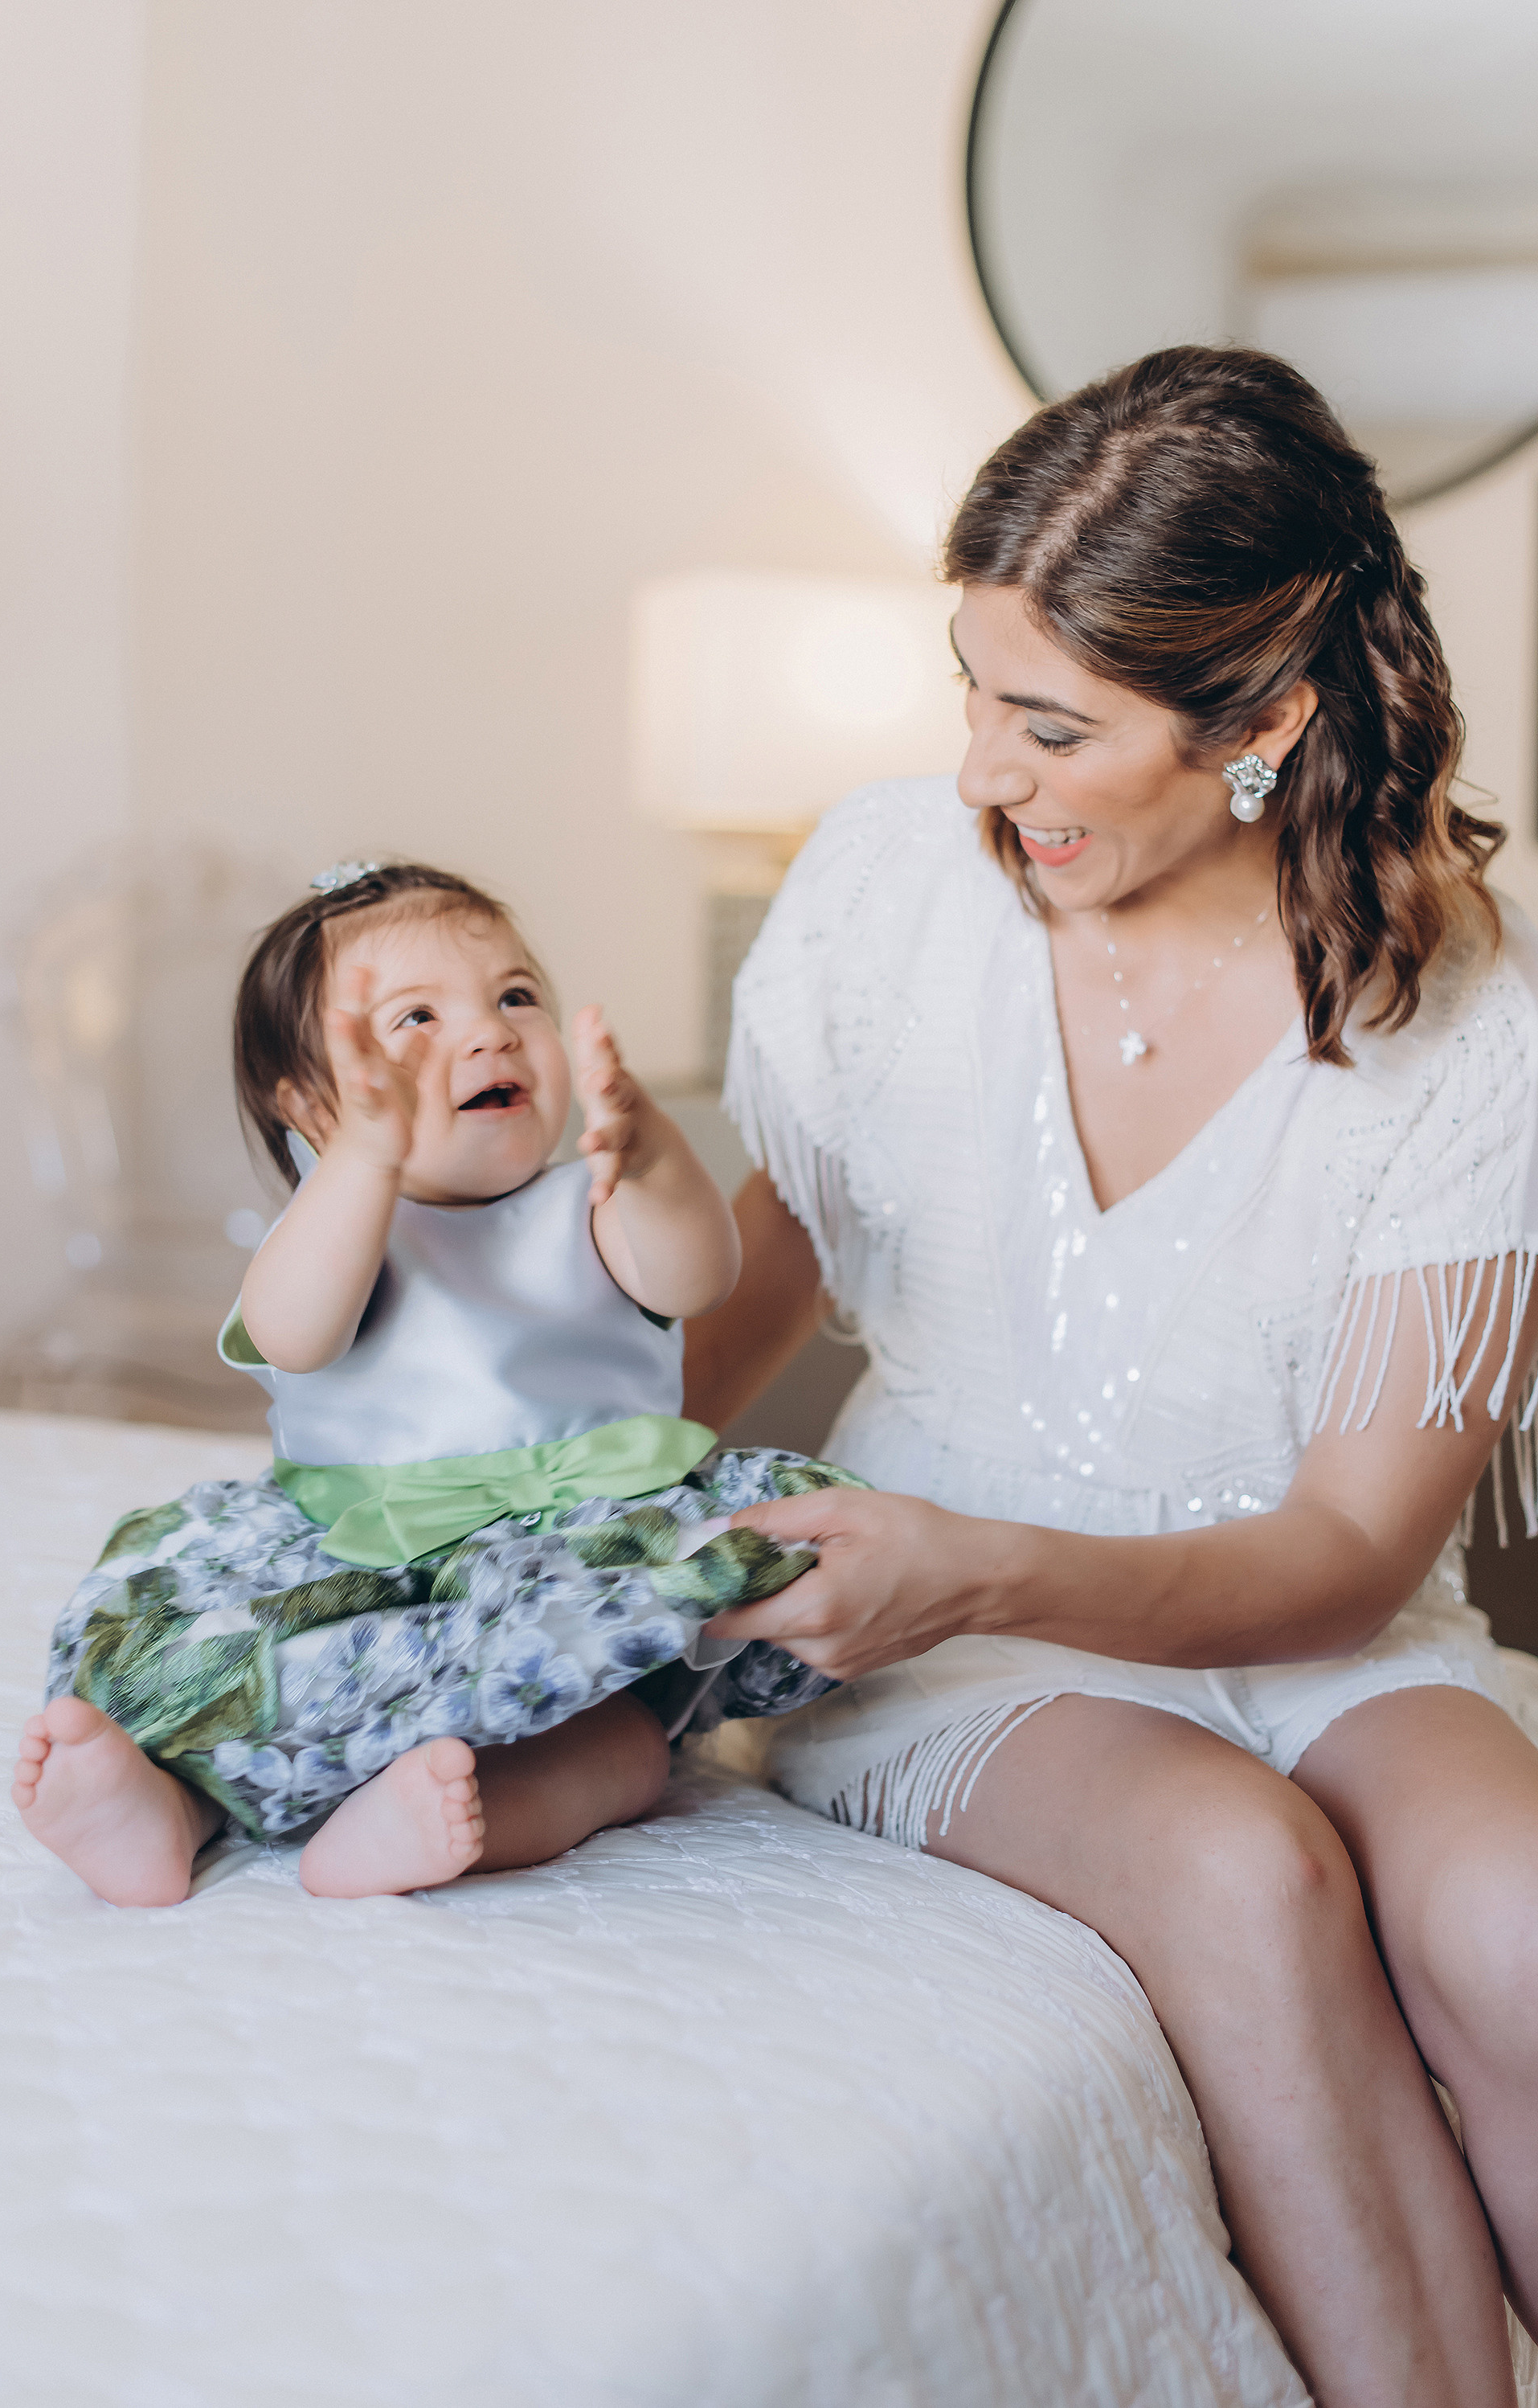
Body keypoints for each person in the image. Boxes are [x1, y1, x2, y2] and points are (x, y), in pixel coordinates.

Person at [685, 349, 1538, 2406]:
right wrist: (521, 1423)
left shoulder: (1464, 1015)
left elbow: (1342, 1550)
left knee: (1520, 1931)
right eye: (969, 690)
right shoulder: (886, 887)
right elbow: (756, 1285)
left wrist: (978, 1561)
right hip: (945, 1634)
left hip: (1300, 1607)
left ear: (1263, 722)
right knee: (1239, 1869)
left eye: (1051, 724)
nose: (983, 770)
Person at [13, 862, 853, 1908]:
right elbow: (293, 1331)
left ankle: (437, 1820)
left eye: (515, 997)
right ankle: (166, 1810)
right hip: (360, 1556)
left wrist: (652, 1157)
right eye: (417, 1018)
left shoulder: (587, 1207)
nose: (490, 1034)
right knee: (238, 1681)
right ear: (310, 1102)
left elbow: (698, 1274)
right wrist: (362, 1162)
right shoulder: (339, 1231)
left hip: (576, 1554)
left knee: (626, 1750)